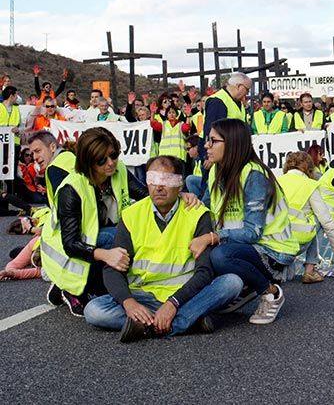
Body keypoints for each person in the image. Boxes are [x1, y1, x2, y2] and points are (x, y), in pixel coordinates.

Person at [83, 156, 244, 343]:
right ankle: (188, 320)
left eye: (166, 180)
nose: (159, 187)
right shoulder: (131, 215)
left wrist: (173, 303)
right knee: (94, 311)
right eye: (153, 180)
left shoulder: (198, 214)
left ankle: (157, 325)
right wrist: (129, 303)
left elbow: (204, 272)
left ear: (180, 184)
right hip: (143, 294)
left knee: (232, 283)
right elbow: (112, 268)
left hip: (185, 295)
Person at [192, 119, 296, 325]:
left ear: (231, 144)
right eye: (207, 140)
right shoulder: (216, 170)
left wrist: (213, 236)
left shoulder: (254, 174)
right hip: (243, 247)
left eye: (213, 141)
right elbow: (204, 210)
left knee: (220, 255)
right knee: (204, 247)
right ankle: (244, 284)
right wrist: (186, 201)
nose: (206, 146)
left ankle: (270, 292)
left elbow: (252, 232)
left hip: (273, 251)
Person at [41, 127, 149, 316]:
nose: (110, 163)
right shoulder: (71, 189)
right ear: (88, 162)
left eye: (113, 155)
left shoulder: (119, 169)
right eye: (101, 160)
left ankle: (97, 285)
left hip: (97, 237)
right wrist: (106, 255)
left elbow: (146, 196)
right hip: (66, 251)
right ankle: (70, 288)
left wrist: (177, 195)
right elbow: (70, 244)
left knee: (124, 235)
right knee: (113, 237)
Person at [277, 152, 334, 283]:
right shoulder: (309, 185)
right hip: (297, 241)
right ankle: (310, 270)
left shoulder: (275, 181)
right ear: (309, 168)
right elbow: (327, 222)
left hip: (275, 241)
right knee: (319, 219)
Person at [199, 72, 252, 167]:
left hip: (231, 153)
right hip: (217, 155)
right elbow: (211, 129)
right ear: (239, 86)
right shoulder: (218, 101)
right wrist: (210, 155)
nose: (247, 94)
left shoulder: (238, 103)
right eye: (247, 90)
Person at [27, 131, 76, 211]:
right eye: (32, 153)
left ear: (52, 147)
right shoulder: (70, 157)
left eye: (38, 151)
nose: (35, 157)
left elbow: (65, 210)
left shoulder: (54, 168)